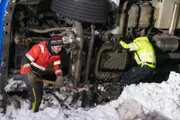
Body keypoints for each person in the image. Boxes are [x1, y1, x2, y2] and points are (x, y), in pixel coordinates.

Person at [20, 35, 65, 112]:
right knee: (35, 94)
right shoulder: (39, 48)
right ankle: (32, 113)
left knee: (39, 94)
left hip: (38, 74)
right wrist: (29, 72)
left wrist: (59, 76)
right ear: (53, 46)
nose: (60, 49)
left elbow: (57, 68)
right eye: (59, 47)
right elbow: (25, 59)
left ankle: (35, 111)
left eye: (61, 47)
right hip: (27, 72)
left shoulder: (56, 54)